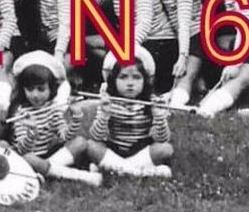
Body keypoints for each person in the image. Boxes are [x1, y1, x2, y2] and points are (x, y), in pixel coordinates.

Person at [60, 48, 173, 178]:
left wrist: (159, 116)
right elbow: (97, 136)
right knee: (91, 145)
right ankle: (139, 172)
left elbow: (162, 139)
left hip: (140, 150)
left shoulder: (151, 102)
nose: (130, 83)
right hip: (114, 150)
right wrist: (104, 114)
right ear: (113, 80)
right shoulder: (109, 101)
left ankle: (116, 169)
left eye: (136, 78)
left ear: (145, 81)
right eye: (123, 77)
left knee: (165, 148)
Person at [0, 52, 99, 186]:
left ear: (51, 89)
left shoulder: (53, 108)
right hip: (29, 157)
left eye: (41, 89)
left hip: (49, 155)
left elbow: (64, 136)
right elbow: (23, 150)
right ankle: (80, 176)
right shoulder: (20, 112)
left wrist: (76, 118)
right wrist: (32, 133)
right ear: (23, 89)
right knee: (29, 158)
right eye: (30, 89)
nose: (35, 95)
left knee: (80, 142)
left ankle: (43, 173)